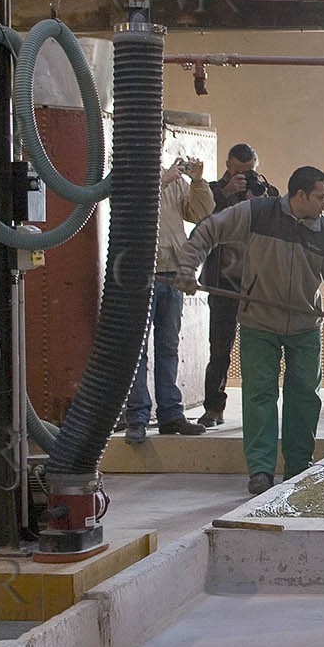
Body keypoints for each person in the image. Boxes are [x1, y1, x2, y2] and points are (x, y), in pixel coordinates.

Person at [176, 166, 324, 496]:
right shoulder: (257, 214)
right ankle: (260, 470)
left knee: (304, 396)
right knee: (260, 395)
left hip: (304, 325)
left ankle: (297, 467)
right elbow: (207, 230)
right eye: (320, 196)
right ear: (299, 195)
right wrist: (187, 268)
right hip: (258, 321)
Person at [124, 150, 215, 443]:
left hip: (171, 273)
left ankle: (170, 414)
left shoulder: (177, 180)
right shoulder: (127, 172)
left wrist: (198, 181)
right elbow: (128, 210)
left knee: (168, 346)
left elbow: (201, 212)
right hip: (141, 274)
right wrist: (160, 182)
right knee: (137, 350)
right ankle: (137, 417)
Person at [198, 143, 279, 428]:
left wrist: (263, 197)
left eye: (250, 171)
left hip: (258, 283)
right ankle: (213, 407)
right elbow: (203, 222)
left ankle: (259, 408)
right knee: (220, 347)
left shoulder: (266, 191)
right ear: (228, 165)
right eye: (240, 171)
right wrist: (226, 193)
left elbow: (278, 224)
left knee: (261, 348)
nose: (246, 176)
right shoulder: (211, 191)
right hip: (223, 281)